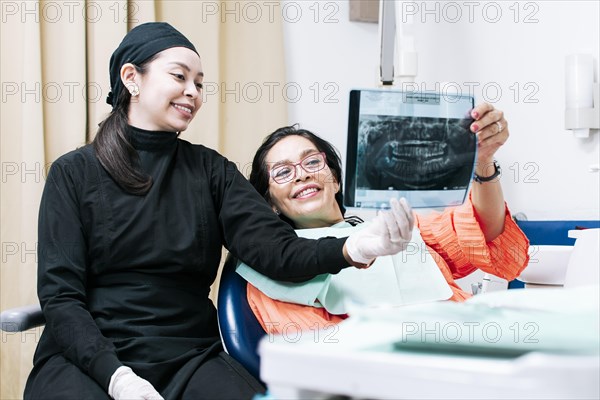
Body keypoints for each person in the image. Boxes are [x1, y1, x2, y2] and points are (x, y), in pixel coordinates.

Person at [24, 22, 415, 400]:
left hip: (187, 356)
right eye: (179, 76)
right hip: (88, 359)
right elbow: (61, 298)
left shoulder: (211, 171)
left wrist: (356, 247)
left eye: (199, 83)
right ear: (132, 78)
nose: (192, 92)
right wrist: (116, 378)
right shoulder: (73, 173)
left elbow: (278, 252)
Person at [246, 111, 530, 334]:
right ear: (270, 203)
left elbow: (485, 229)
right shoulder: (275, 270)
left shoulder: (400, 230)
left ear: (334, 179)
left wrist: (483, 161)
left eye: (311, 162)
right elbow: (323, 354)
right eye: (282, 172)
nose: (301, 175)